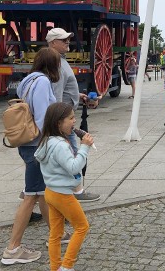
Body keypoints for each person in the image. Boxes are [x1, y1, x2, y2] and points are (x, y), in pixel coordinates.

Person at [1, 48, 60, 265]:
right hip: (37, 144)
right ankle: (13, 248)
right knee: (31, 196)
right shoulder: (43, 82)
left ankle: (55, 234)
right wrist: (52, 142)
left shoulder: (28, 80)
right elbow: (43, 116)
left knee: (41, 192)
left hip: (27, 143)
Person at [35, 103, 93, 271]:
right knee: (82, 227)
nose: (74, 121)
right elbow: (74, 167)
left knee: (56, 234)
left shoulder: (47, 141)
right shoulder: (60, 145)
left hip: (50, 192)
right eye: (71, 118)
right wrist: (84, 147)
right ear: (58, 122)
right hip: (62, 195)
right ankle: (67, 266)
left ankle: (55, 267)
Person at [46, 27, 99, 202]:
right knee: (74, 153)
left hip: (65, 116)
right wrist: (61, 121)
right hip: (63, 119)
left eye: (68, 39)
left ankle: (32, 189)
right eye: (63, 40)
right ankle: (77, 191)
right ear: (53, 43)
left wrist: (77, 96)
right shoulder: (57, 63)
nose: (68, 42)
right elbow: (57, 94)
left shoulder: (61, 60)